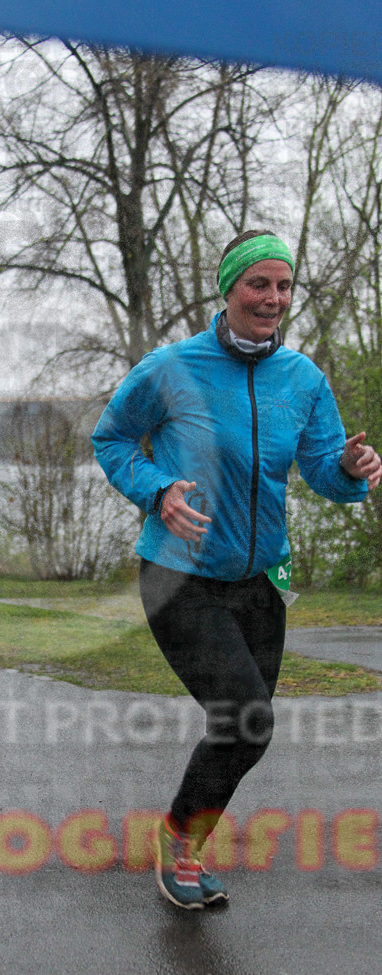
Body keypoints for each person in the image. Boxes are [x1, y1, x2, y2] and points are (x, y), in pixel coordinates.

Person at [91, 230, 382, 910]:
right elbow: (109, 440)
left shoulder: (302, 379)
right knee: (246, 716)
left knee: (246, 732)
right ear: (228, 289)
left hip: (260, 583)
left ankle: (181, 836)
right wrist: (157, 489)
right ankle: (181, 844)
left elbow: (320, 471)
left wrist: (347, 470)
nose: (272, 298)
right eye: (259, 284)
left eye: (283, 286)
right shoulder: (170, 368)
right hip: (179, 577)